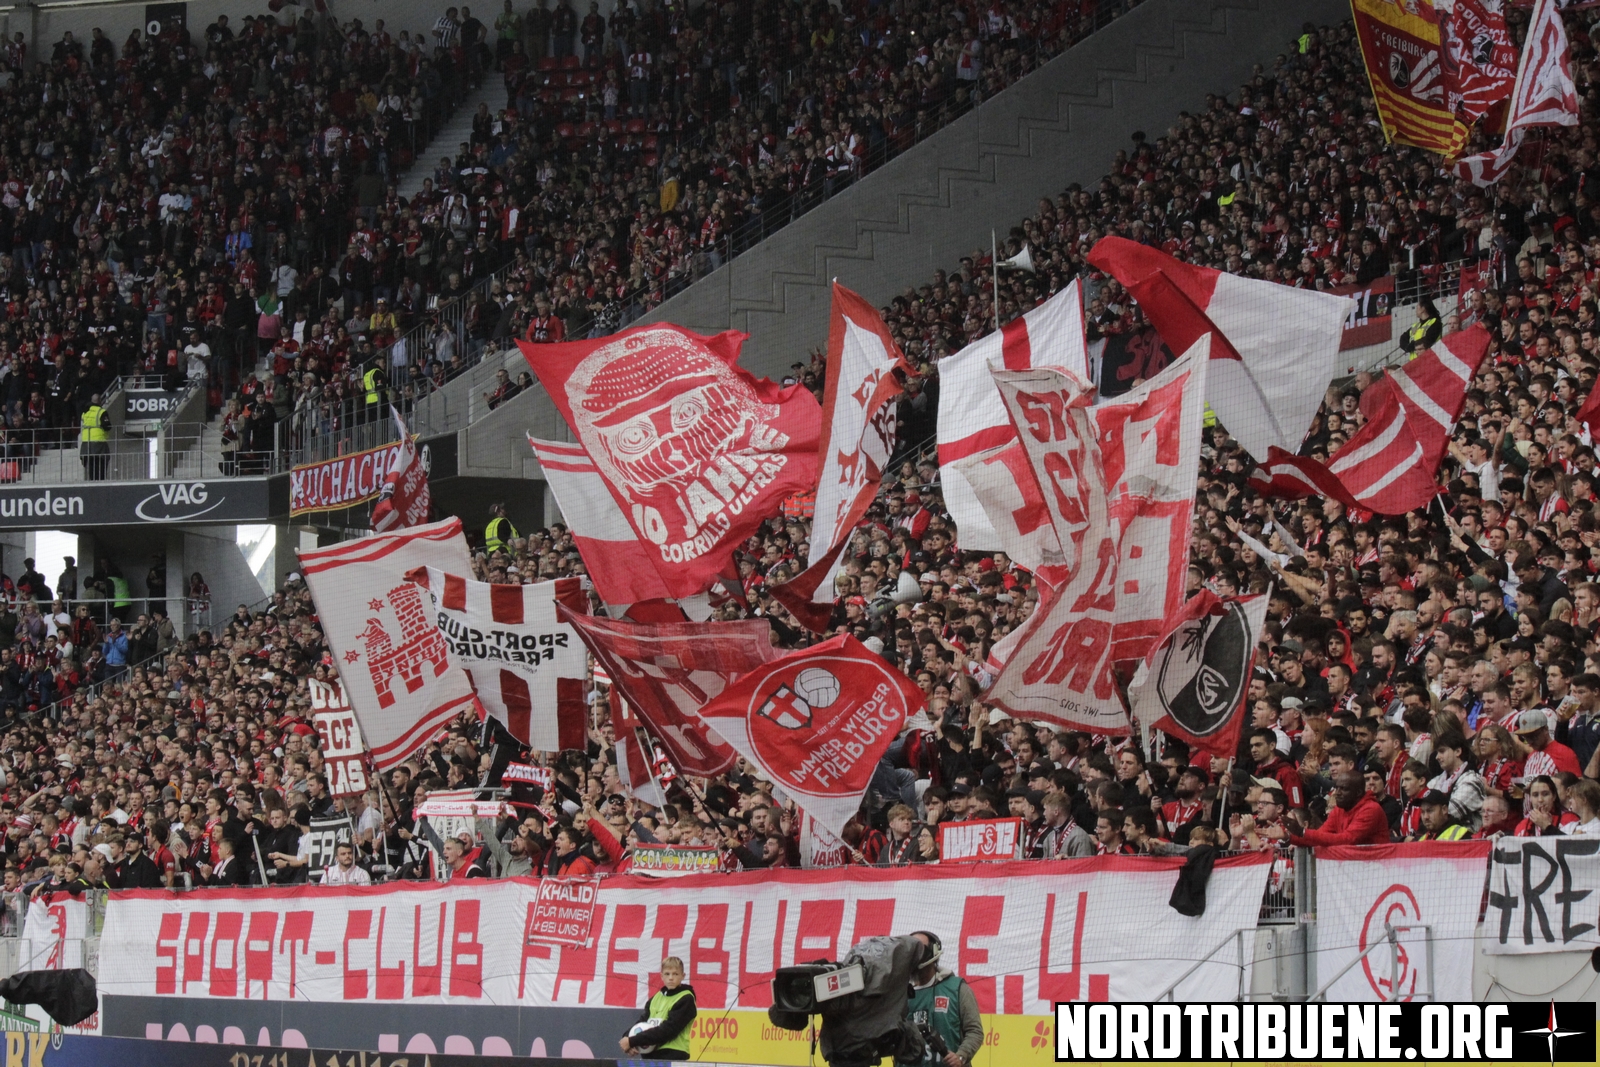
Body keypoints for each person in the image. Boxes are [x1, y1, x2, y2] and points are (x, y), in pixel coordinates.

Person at [898, 932, 983, 1067]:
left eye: (920, 949)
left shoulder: (956, 988)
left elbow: (975, 1031)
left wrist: (961, 1056)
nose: (915, 955)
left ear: (933, 952)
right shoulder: (899, 994)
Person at [1263, 772, 1390, 847]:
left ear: (1358, 792)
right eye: (1337, 788)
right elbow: (1321, 836)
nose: (1337, 793)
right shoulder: (1340, 809)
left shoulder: (1371, 809)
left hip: (1377, 869)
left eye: (1343, 789)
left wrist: (1303, 832)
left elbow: (1347, 840)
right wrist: (1288, 837)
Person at [620, 956, 695, 1060]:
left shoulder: (686, 999)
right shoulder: (655, 998)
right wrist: (627, 1037)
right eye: (667, 974)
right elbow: (641, 1022)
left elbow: (668, 1030)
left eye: (675, 974)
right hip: (651, 1056)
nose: (671, 978)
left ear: (683, 976)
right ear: (661, 976)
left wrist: (632, 1041)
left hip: (673, 1055)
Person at [79, 392, 110, 480]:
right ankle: (100, 482)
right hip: (99, 442)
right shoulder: (101, 412)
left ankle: (92, 482)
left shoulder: (85, 413)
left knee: (91, 466)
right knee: (101, 466)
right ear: (100, 401)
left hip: (86, 442)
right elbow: (107, 426)